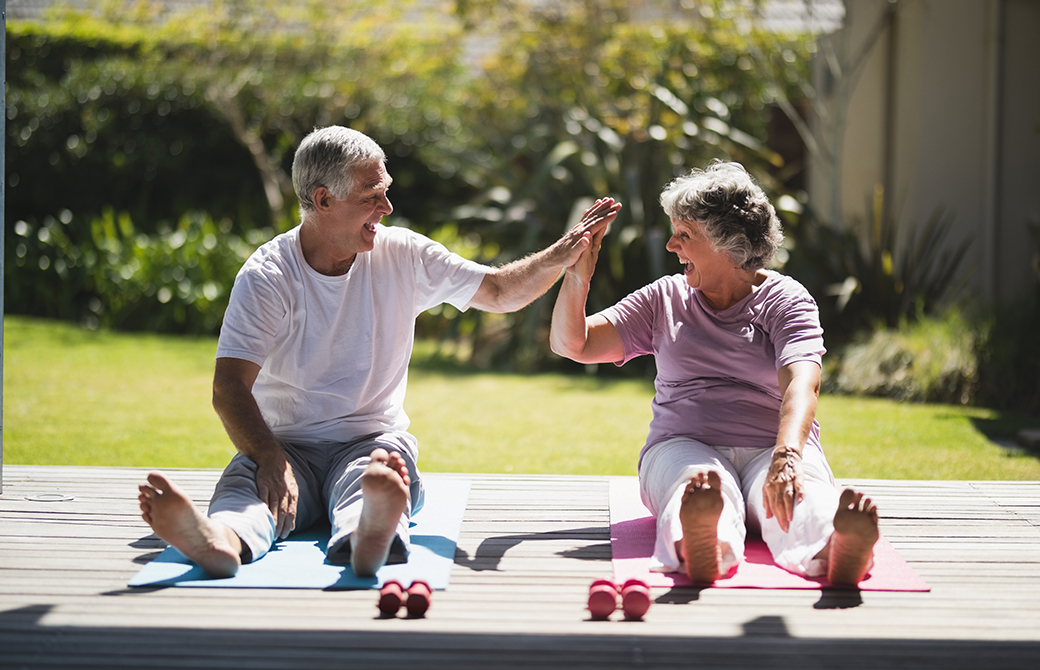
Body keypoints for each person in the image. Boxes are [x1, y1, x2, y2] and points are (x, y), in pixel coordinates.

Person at [138, 125, 622, 578]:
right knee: (247, 495)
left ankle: (368, 534)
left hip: (370, 441)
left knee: (376, 479)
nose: (387, 207)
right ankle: (216, 540)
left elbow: (497, 292)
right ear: (323, 200)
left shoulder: (404, 254)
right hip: (284, 446)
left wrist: (564, 251)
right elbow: (229, 389)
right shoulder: (268, 275)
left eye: (385, 190)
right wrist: (268, 457)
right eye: (372, 197)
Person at [550, 161, 879, 587]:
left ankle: (837, 545)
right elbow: (571, 344)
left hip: (773, 445)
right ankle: (701, 542)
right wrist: (578, 275)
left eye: (684, 235)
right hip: (683, 443)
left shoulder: (786, 299)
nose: (671, 246)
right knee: (696, 487)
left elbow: (803, 381)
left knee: (802, 493)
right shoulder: (664, 298)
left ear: (729, 244)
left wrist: (788, 455)